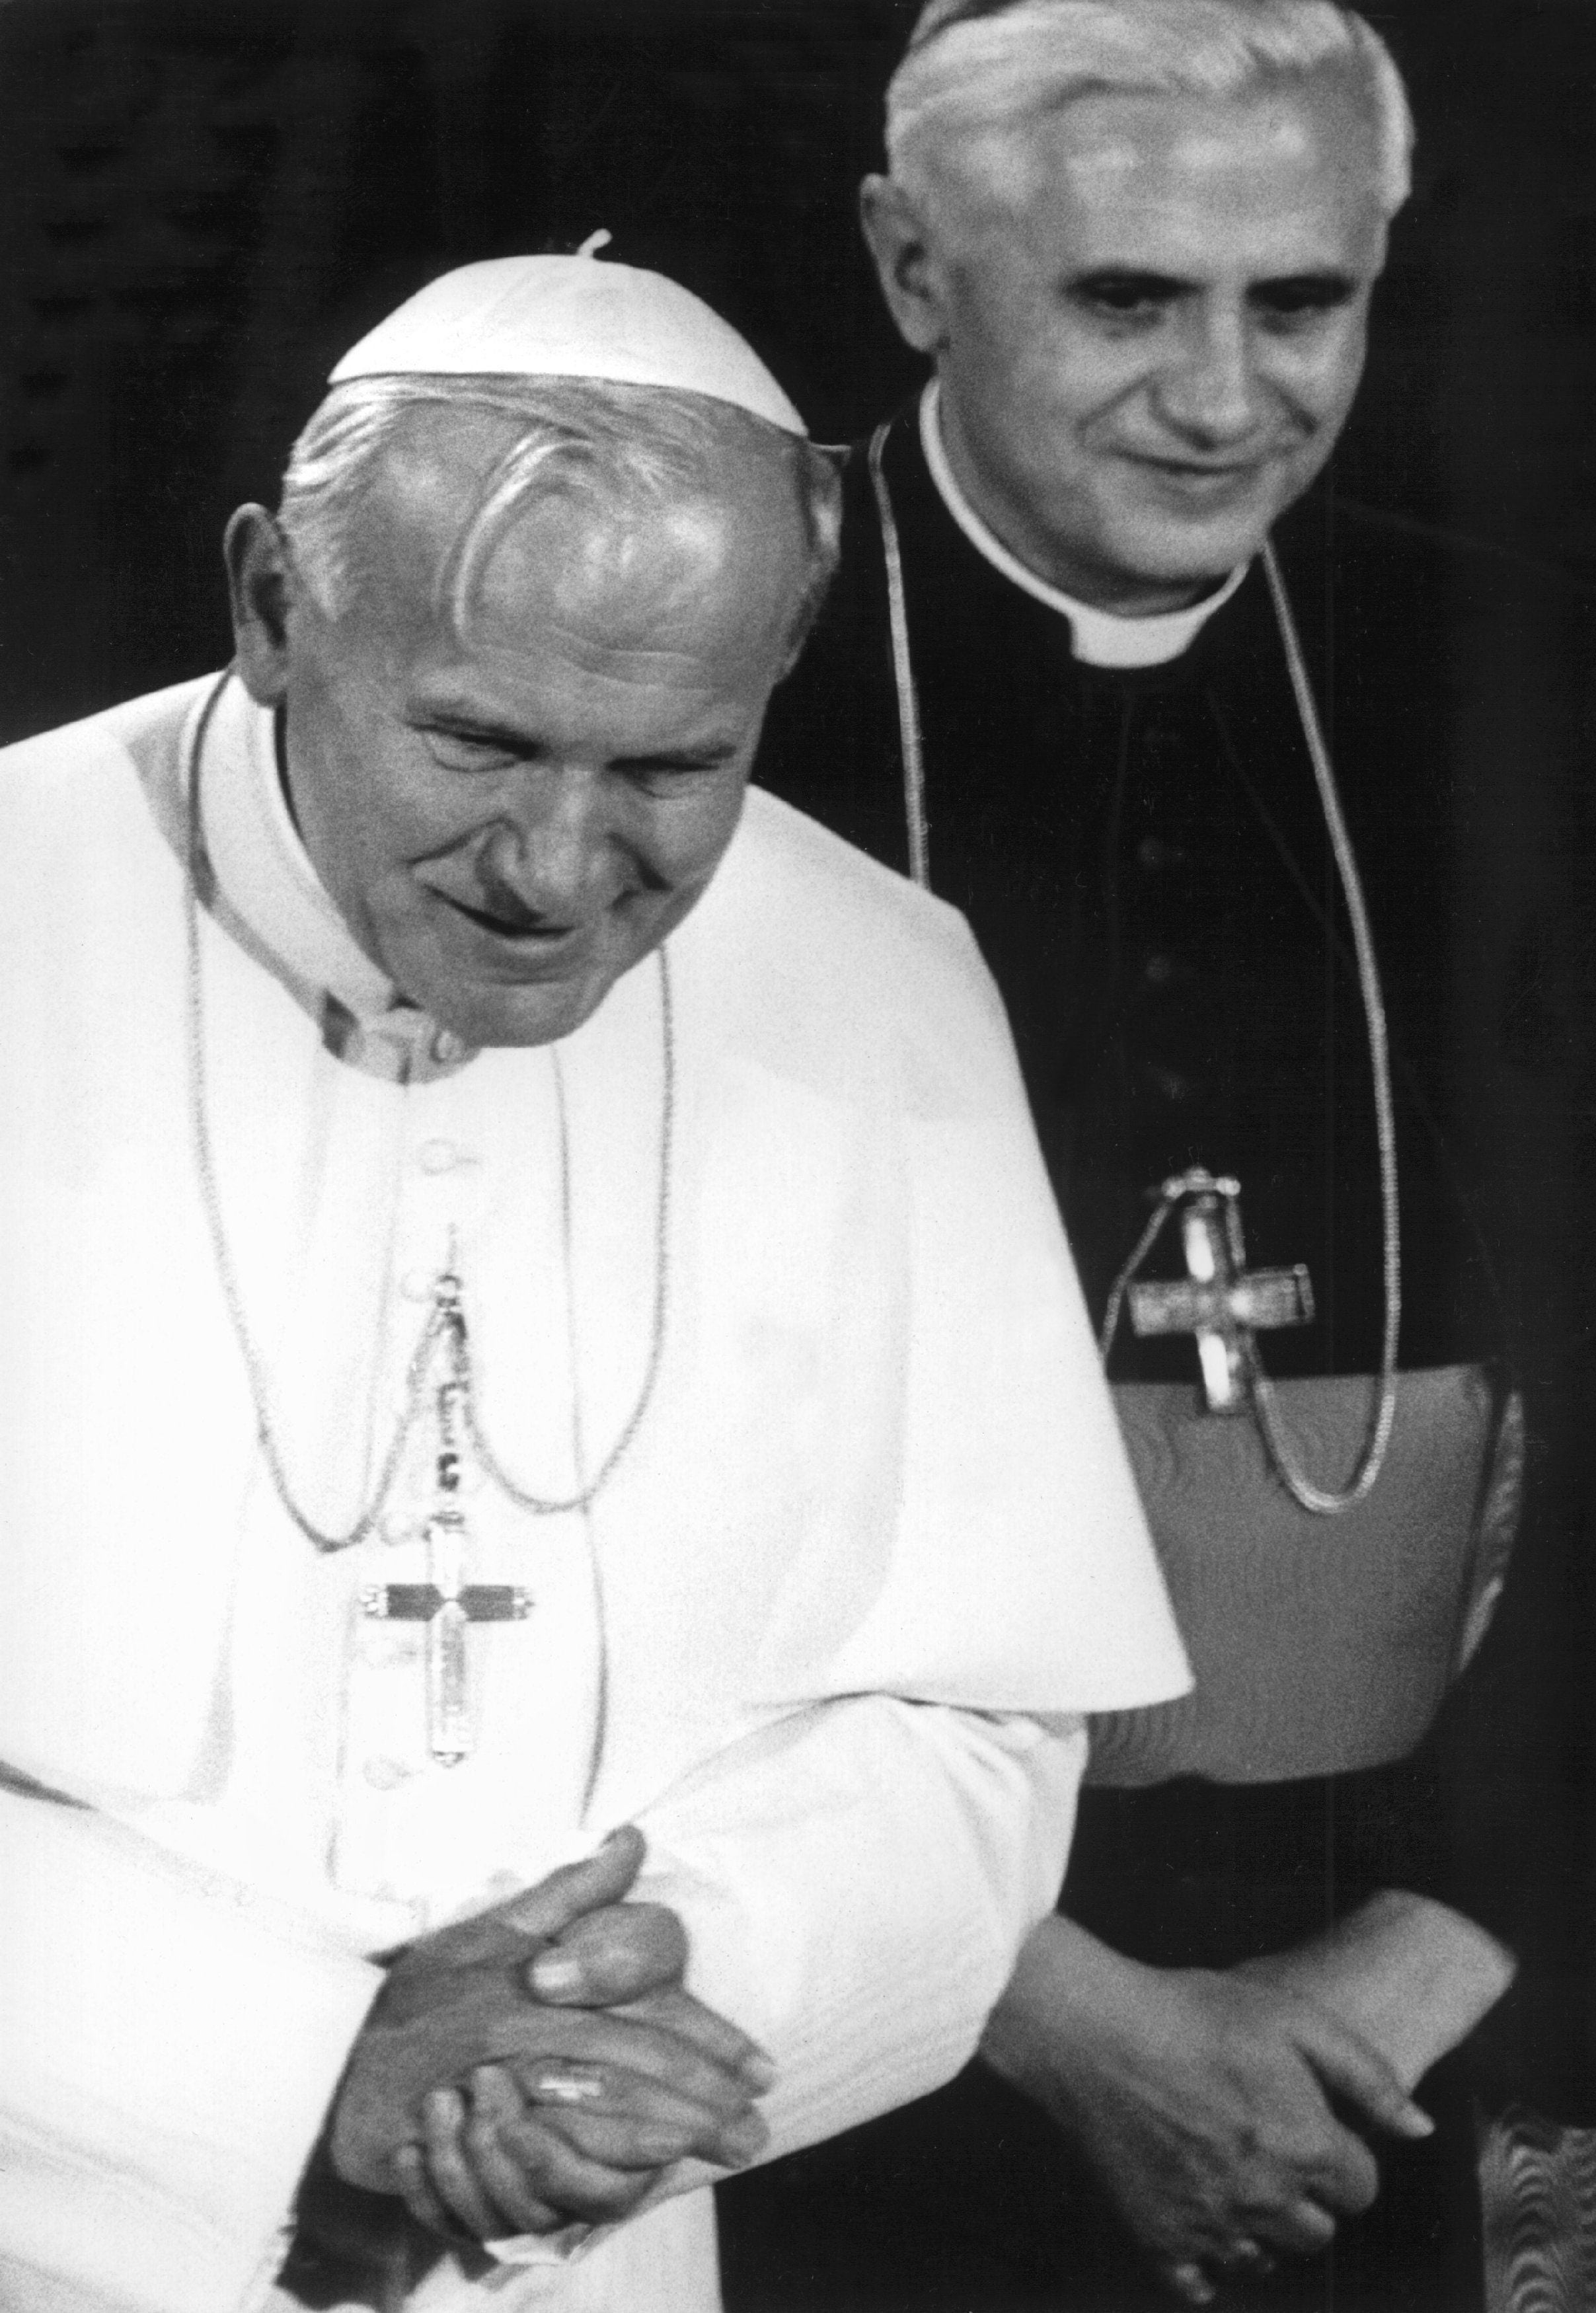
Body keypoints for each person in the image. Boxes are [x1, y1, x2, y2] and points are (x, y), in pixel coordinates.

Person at [0, 248, 1202, 2313]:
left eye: (668, 772)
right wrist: (293, 2072)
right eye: (476, 741)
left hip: (596, 2246)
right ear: (275, 607)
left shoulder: (878, 983)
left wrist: (659, 1991)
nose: (559, 872)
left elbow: (984, 1723)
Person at [725, 3, 1596, 2306]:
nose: (1225, 394)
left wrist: (1428, 1952)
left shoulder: (1539, 684)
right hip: (839, 1992)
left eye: (1305, 302)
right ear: (909, 264)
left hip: (1432, 1994)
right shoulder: (705, 685)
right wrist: (1051, 2006)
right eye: (1126, 298)